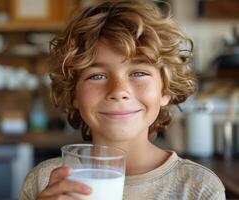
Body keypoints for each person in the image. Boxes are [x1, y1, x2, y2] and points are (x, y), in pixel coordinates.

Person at [20, 1, 225, 199]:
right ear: (73, 94)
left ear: (165, 89)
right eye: (97, 76)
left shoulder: (199, 188)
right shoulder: (45, 181)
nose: (119, 91)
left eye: (138, 73)